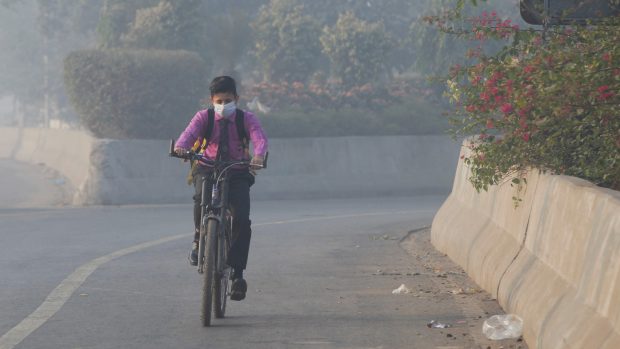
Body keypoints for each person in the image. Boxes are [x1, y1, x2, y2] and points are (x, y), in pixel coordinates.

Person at [174, 76, 268, 301]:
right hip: (207, 167)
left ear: (236, 98)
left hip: (237, 171)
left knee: (242, 220)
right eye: (220, 100)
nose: (224, 105)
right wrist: (181, 148)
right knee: (200, 199)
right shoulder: (203, 117)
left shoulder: (246, 118)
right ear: (212, 100)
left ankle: (237, 274)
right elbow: (187, 137)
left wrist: (258, 155)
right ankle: (199, 239)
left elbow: (260, 139)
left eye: (228, 100)